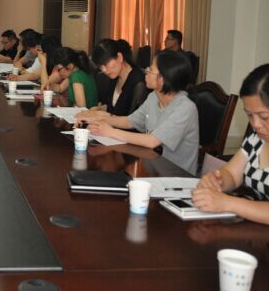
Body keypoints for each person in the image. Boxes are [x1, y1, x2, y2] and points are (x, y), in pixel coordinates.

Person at [86, 51, 199, 174]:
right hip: (153, 167)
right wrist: (96, 119)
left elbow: (152, 141)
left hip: (176, 176)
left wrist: (110, 132)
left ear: (162, 79)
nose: (146, 71)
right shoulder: (154, 97)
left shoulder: (185, 108)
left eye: (151, 69)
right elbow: (130, 121)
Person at [192, 64, 269, 224]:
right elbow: (232, 174)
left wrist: (228, 203)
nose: (255, 124)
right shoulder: (256, 140)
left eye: (264, 117)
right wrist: (218, 180)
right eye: (250, 115)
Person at [76, 39, 147, 122]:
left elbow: (133, 122)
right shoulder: (114, 76)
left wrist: (102, 116)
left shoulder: (138, 82)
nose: (103, 70)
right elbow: (113, 107)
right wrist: (98, 109)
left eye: (105, 64)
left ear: (119, 57)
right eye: (100, 66)